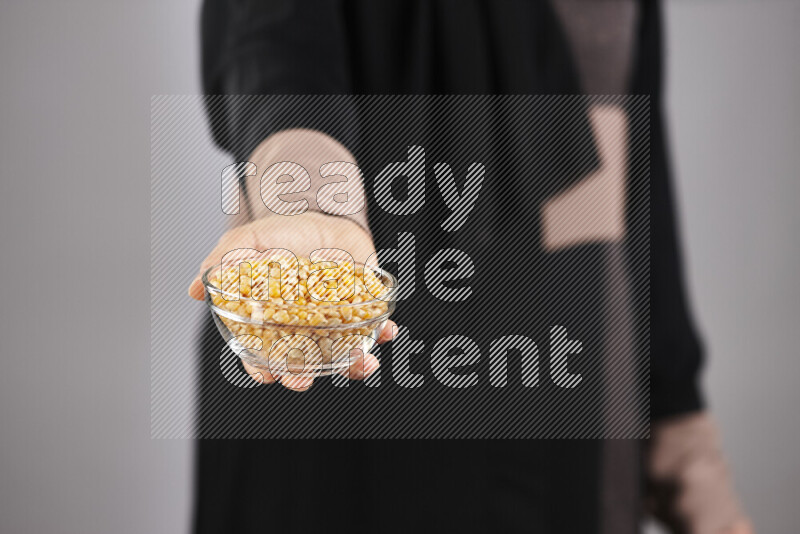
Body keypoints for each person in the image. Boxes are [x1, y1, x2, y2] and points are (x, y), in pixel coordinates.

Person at [188, 1, 751, 532]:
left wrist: (681, 425)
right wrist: (307, 197)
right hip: (351, 386)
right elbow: (273, 44)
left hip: (572, 382)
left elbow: (632, 162)